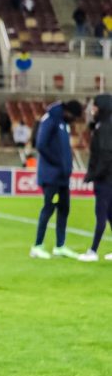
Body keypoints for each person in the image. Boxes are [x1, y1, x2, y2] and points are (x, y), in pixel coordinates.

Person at [29, 100, 84, 259]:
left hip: (62, 177)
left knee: (64, 208)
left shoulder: (63, 123)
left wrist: (67, 165)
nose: (74, 120)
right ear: (68, 112)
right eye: (74, 117)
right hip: (51, 176)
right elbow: (41, 144)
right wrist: (57, 163)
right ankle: (37, 246)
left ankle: (60, 246)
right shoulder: (51, 119)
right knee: (48, 208)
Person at [78, 94, 112, 262]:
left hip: (106, 180)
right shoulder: (104, 125)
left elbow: (106, 155)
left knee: (101, 215)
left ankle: (93, 251)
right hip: (108, 178)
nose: (93, 109)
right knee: (110, 214)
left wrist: (93, 175)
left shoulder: (104, 127)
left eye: (96, 106)